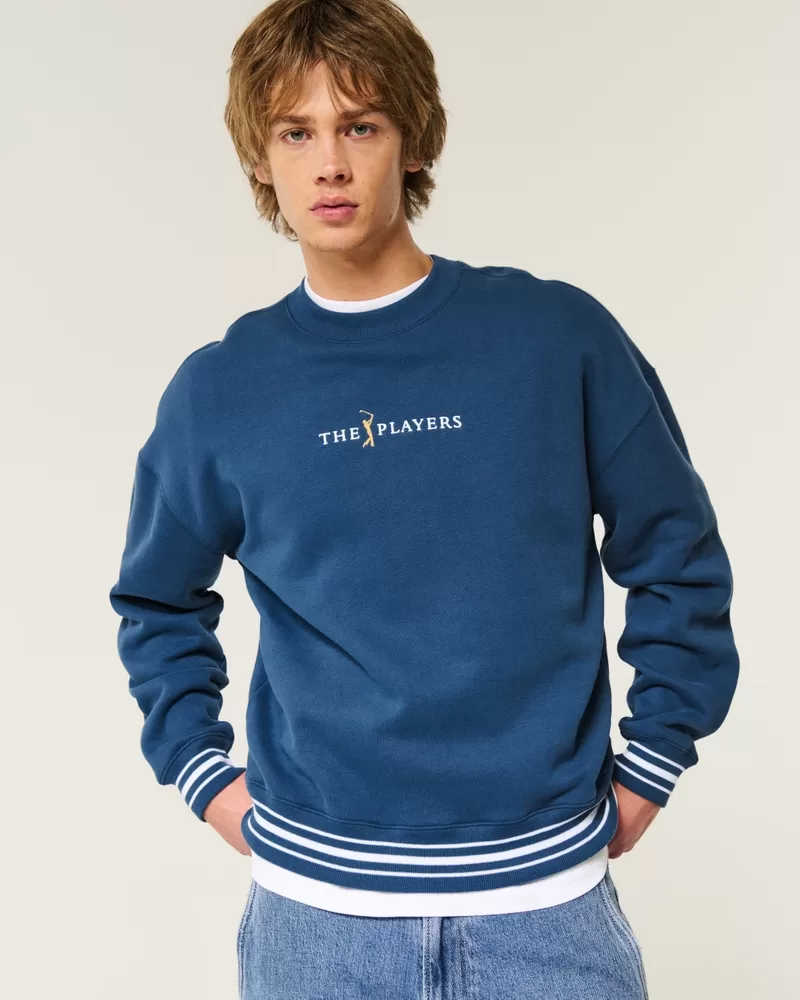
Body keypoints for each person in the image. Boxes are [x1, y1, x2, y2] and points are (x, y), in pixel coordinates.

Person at [108, 1, 740, 996]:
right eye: (295, 132)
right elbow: (155, 601)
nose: (329, 164)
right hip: (315, 922)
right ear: (260, 160)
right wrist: (205, 775)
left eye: (359, 126)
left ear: (413, 142)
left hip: (547, 907)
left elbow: (676, 551)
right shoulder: (222, 391)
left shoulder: (555, 339)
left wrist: (655, 754)